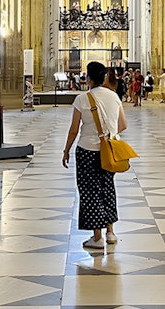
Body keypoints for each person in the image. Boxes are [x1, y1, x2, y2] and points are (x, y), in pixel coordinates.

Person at [62, 61, 128, 249]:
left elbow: (74, 130)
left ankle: (97, 237)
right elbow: (123, 124)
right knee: (108, 187)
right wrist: (109, 133)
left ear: (88, 78)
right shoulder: (114, 96)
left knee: (90, 192)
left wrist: (66, 150)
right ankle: (111, 232)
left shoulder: (83, 99)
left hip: (87, 151)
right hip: (109, 149)